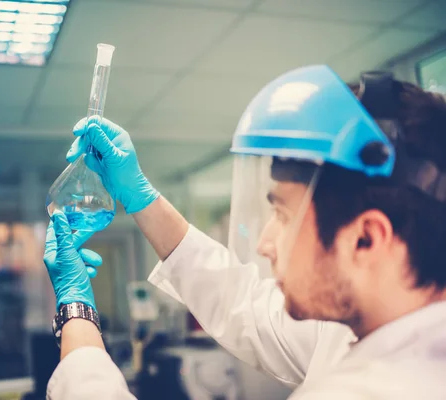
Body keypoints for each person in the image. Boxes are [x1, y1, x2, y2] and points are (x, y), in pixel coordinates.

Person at [43, 65, 446, 399]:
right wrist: (141, 199)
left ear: (366, 239)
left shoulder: (384, 389)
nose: (265, 243)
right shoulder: (359, 326)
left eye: (285, 216)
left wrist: (76, 311)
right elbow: (245, 304)